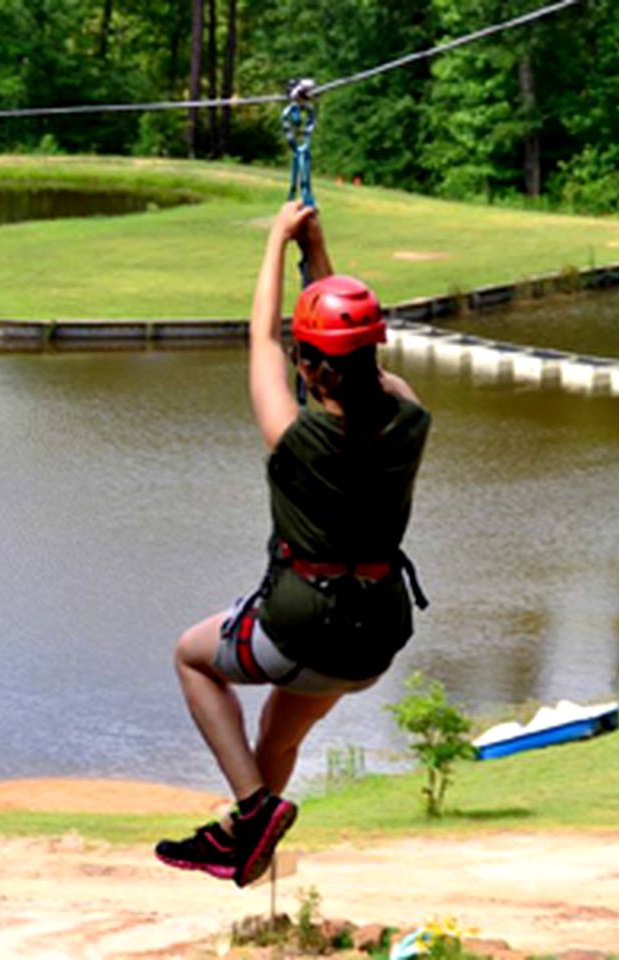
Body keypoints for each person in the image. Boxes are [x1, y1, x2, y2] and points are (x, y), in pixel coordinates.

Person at [155, 200, 431, 888]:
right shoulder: (409, 418)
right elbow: (343, 352)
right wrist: (321, 255)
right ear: (374, 352)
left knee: (192, 658)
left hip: (303, 626)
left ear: (312, 369)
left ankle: (251, 810)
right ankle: (252, 849)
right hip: (373, 637)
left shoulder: (298, 437)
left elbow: (261, 343)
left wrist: (280, 239)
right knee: (278, 736)